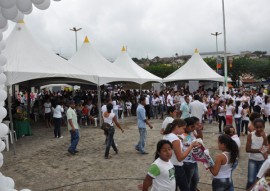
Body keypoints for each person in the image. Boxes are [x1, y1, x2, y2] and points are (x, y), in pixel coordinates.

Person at [163, 119, 199, 191]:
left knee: (173, 186)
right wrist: (191, 146)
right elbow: (180, 158)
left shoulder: (167, 135)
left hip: (169, 165)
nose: (183, 131)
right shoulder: (175, 139)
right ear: (177, 127)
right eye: (183, 128)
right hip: (177, 167)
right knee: (185, 188)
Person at [246, 118, 267, 189]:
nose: (258, 129)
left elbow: (265, 149)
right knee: (251, 180)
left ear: (264, 127)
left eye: (261, 127)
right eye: (257, 127)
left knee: (259, 180)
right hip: (252, 160)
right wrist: (260, 151)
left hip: (262, 161)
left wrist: (264, 138)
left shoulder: (266, 136)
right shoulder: (251, 135)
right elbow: (247, 149)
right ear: (254, 127)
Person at [181, 117, 200, 191]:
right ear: (186, 126)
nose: (193, 129)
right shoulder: (182, 135)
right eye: (192, 127)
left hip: (194, 160)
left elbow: (198, 140)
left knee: (195, 180)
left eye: (194, 127)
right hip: (187, 162)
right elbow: (190, 143)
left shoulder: (191, 133)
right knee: (187, 182)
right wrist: (194, 144)